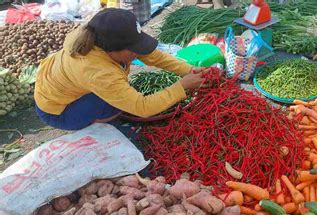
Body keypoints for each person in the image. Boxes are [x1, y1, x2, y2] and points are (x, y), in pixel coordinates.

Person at [34, 8, 206, 131]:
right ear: (112, 49)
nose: (139, 52)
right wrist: (182, 86)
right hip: (59, 111)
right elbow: (143, 108)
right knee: (114, 106)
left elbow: (154, 56)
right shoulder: (97, 71)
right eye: (133, 49)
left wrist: (189, 70)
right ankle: (93, 123)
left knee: (121, 93)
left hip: (64, 88)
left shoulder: (95, 36)